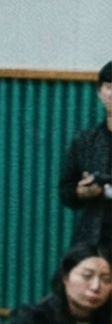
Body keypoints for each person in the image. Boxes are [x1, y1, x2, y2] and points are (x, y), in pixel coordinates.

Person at [61, 60, 112, 255]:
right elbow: (65, 190)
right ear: (100, 92)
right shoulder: (85, 141)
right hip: (92, 240)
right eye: (108, 87)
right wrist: (81, 192)